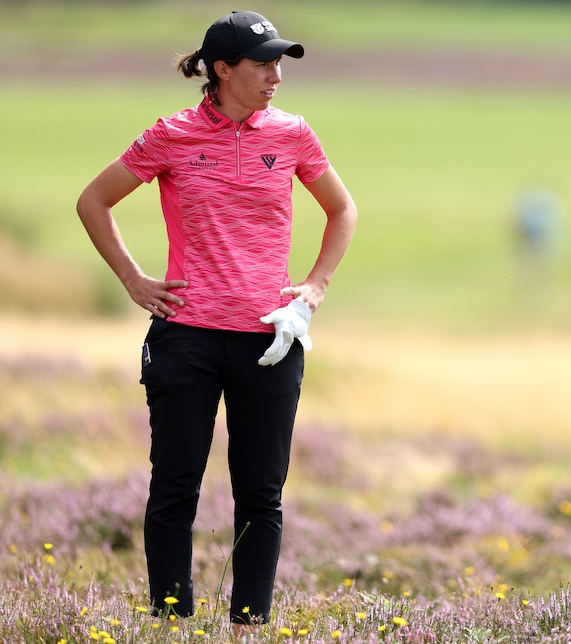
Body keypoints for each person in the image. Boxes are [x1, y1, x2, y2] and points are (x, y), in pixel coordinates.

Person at [75, 10, 357, 634]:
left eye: (280, 63)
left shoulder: (292, 135)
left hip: (269, 338)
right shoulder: (171, 134)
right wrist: (132, 278)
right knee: (175, 487)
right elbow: (92, 200)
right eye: (263, 64)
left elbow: (342, 210)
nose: (276, 76)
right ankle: (171, 622)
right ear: (222, 69)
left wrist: (315, 286)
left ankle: (249, 625)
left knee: (262, 496)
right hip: (187, 338)